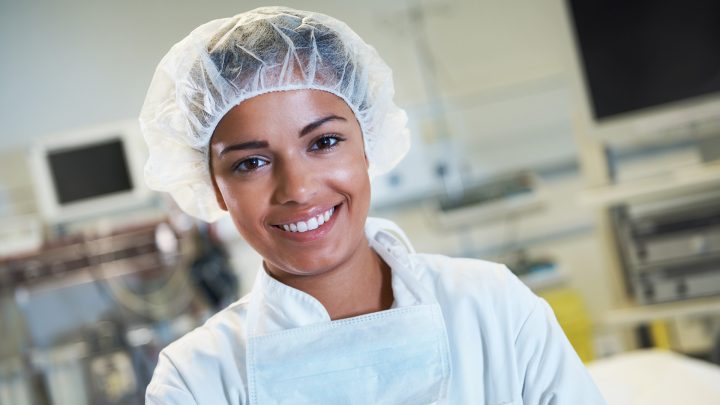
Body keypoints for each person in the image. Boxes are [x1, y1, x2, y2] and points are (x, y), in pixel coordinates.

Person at [140, 6, 605, 404]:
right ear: (215, 187)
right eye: (251, 163)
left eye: (324, 141)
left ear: (368, 145)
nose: (297, 189)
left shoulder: (490, 306)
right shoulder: (197, 380)